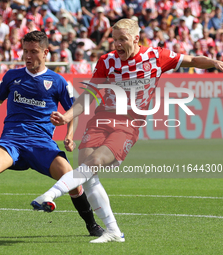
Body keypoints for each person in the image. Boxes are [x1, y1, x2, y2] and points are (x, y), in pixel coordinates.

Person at [32, 18, 223, 243]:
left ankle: (51, 194)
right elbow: (90, 95)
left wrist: (213, 61)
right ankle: (113, 231)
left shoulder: (156, 56)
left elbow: (190, 59)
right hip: (101, 121)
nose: (117, 44)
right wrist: (66, 116)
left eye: (123, 39)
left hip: (128, 124)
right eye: (115, 40)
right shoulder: (107, 61)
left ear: (135, 38)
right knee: (88, 175)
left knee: (93, 163)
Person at [0, 31, 104, 237]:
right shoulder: (12, 76)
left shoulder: (58, 81)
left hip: (42, 144)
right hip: (12, 140)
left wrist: (69, 135)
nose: (28, 56)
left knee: (72, 180)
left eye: (33, 51)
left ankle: (92, 226)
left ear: (46, 52)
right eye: (25, 51)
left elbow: (71, 113)